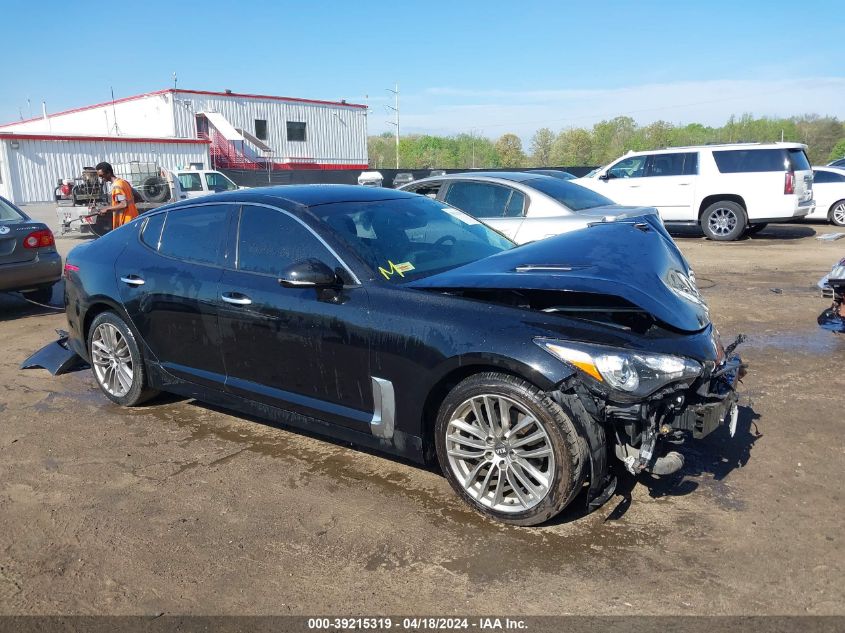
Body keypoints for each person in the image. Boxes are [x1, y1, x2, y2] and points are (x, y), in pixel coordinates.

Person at [94, 162, 138, 229]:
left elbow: (123, 204)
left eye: (102, 176)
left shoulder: (117, 187)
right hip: (134, 218)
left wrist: (107, 208)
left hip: (125, 222)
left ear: (108, 173)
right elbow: (138, 197)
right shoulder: (124, 182)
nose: (102, 179)